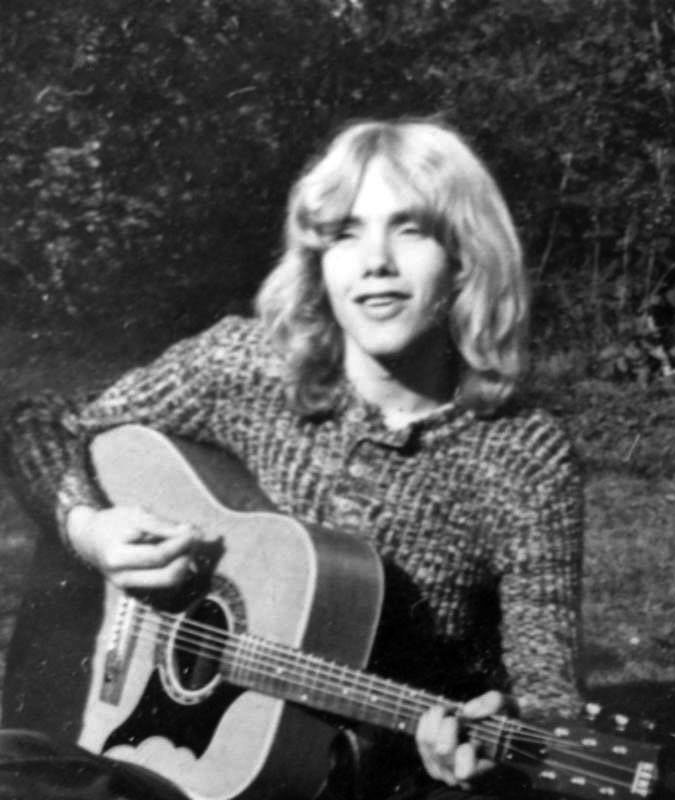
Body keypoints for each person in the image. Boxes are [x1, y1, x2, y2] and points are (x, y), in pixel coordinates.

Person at [1, 117, 584, 800]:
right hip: (156, 748)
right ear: (316, 261)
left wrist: (500, 740)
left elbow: (550, 711)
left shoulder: (524, 455)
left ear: (467, 257)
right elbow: (40, 424)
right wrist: (91, 530)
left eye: (411, 230)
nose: (375, 262)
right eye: (344, 233)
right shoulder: (245, 367)